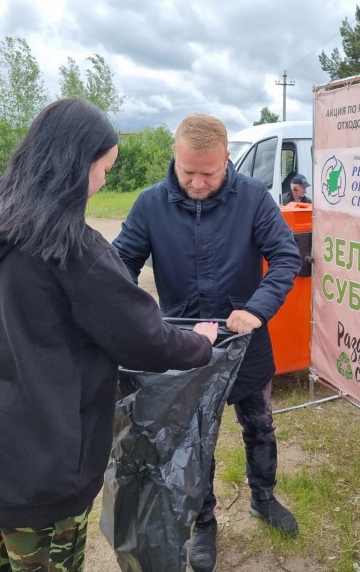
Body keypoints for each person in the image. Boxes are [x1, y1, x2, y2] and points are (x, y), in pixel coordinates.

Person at [0, 97, 219, 572]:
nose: (103, 181)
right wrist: (202, 341)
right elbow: (145, 339)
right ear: (75, 165)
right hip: (37, 471)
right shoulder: (72, 250)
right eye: (104, 167)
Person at [113, 113, 302, 572]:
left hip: (247, 345)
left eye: (209, 174)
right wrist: (137, 322)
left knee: (259, 426)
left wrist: (256, 308)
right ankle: (204, 522)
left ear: (227, 161)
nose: (198, 183)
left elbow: (285, 256)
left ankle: (263, 497)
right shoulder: (150, 205)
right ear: (174, 159)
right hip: (183, 350)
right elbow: (119, 266)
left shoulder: (254, 200)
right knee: (194, 443)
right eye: (188, 172)